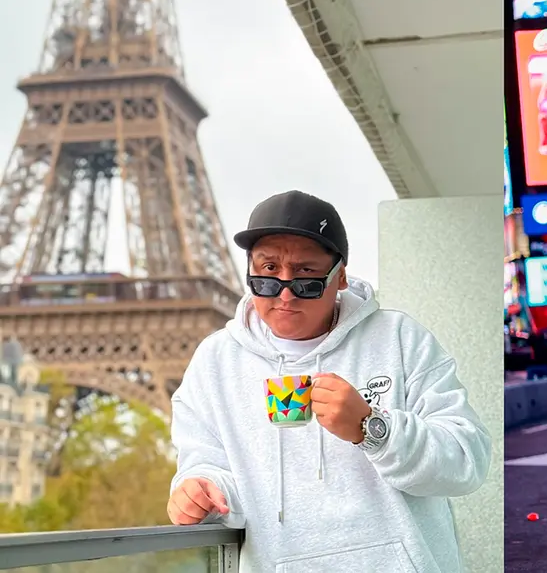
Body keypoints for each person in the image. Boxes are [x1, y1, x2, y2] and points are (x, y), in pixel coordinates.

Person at [166, 190, 491, 572]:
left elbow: (467, 460)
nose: (285, 292)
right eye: (268, 272)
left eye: (306, 275)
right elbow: (209, 466)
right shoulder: (215, 361)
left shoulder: (399, 339)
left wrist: (372, 427)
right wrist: (199, 491)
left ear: (340, 277)